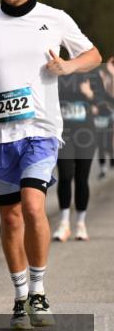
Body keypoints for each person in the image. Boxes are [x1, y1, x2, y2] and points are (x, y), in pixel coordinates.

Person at [0, 0, 100, 330]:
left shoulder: (53, 18)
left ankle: (39, 289)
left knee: (34, 206)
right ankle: (20, 296)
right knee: (10, 217)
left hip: (41, 130)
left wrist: (68, 65)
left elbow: (94, 54)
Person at [53, 65, 104, 242]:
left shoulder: (91, 74)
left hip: (86, 135)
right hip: (64, 134)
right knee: (65, 176)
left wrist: (89, 94)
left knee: (82, 178)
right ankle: (64, 223)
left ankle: (81, 224)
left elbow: (103, 105)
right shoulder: (58, 74)